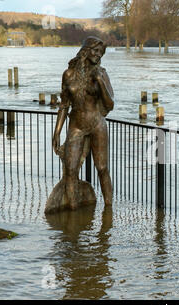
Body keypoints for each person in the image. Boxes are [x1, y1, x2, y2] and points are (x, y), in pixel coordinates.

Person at [48, 36, 114, 212]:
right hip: (76, 126)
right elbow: (64, 105)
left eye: (101, 52)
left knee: (102, 168)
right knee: (70, 171)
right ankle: (73, 211)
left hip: (97, 124)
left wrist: (100, 81)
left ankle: (109, 210)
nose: (99, 55)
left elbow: (110, 105)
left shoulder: (102, 73)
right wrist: (56, 133)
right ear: (86, 50)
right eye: (96, 50)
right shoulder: (68, 74)